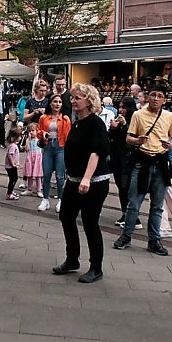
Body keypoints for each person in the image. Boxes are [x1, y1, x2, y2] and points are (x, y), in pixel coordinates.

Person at [113, 85, 172, 256]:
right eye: (153, 95)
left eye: (159, 96)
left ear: (164, 100)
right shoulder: (138, 115)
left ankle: (154, 239)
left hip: (160, 163)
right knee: (133, 204)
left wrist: (170, 145)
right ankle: (126, 235)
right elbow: (129, 138)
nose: (155, 98)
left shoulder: (170, 116)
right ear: (147, 97)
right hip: (141, 163)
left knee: (157, 206)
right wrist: (137, 141)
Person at [52, 84, 110, 283]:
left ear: (89, 101)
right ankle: (72, 259)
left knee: (90, 222)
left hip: (94, 181)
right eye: (73, 98)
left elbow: (96, 152)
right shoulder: (77, 123)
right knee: (66, 216)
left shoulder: (96, 123)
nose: (73, 101)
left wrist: (86, 178)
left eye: (78, 98)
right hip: (74, 179)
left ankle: (96, 267)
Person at [37, 94, 71, 212]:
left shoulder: (65, 119)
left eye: (60, 102)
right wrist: (43, 134)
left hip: (60, 147)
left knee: (60, 176)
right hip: (47, 147)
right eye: (55, 102)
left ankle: (61, 200)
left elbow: (68, 136)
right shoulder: (44, 118)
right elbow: (38, 131)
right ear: (50, 104)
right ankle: (45, 200)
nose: (57, 104)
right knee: (46, 174)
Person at [109, 96, 138, 228]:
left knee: (127, 187)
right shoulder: (117, 119)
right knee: (121, 186)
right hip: (117, 158)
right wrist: (114, 128)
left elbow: (132, 139)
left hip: (129, 159)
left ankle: (132, 216)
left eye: (124, 107)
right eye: (119, 107)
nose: (121, 110)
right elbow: (111, 137)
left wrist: (124, 125)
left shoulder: (134, 120)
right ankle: (125, 213)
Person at [21, 122, 44, 198]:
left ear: (37, 131)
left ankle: (39, 190)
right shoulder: (28, 140)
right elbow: (27, 149)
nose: (31, 132)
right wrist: (28, 140)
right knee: (29, 174)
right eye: (29, 131)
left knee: (38, 175)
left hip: (37, 158)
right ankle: (29, 189)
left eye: (33, 130)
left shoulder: (39, 140)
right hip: (30, 158)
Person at [5, 127, 22, 200]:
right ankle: (9, 193)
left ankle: (11, 191)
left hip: (12, 166)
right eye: (19, 136)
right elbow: (10, 155)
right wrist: (13, 164)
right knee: (13, 179)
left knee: (14, 178)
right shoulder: (13, 146)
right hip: (11, 166)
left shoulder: (13, 145)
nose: (21, 138)